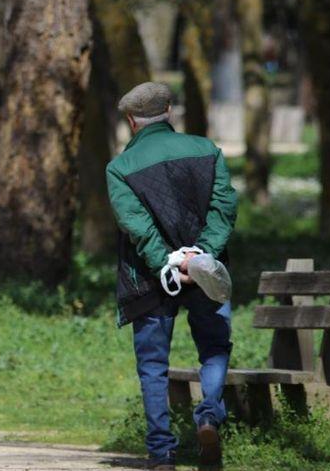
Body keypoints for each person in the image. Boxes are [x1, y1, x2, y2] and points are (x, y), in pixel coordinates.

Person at [105, 82, 238, 470]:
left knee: (153, 366)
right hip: (208, 274)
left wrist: (168, 262)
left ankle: (162, 453)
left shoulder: (120, 168)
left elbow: (135, 223)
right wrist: (202, 256)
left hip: (150, 279)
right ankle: (209, 415)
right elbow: (224, 206)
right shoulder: (208, 150)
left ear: (132, 121)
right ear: (169, 112)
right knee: (214, 348)